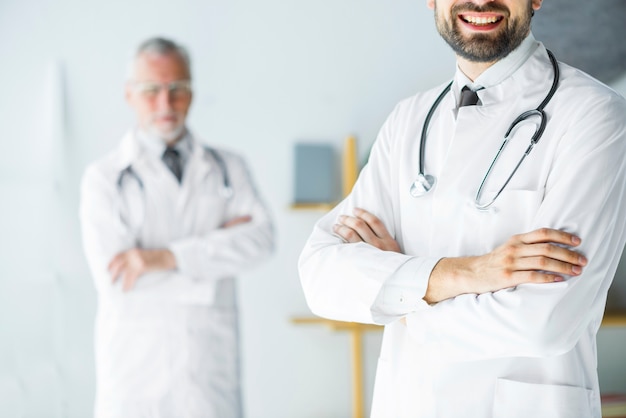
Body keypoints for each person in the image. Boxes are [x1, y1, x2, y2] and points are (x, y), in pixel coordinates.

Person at [299, 1, 626, 417]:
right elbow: (320, 276)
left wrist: (398, 299)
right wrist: (470, 272)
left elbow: (545, 322)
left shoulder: (594, 115)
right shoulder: (407, 122)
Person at [80, 37, 274, 417]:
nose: (165, 104)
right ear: (129, 94)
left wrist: (162, 257)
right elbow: (116, 278)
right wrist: (215, 255)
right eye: (152, 90)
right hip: (136, 374)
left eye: (177, 90)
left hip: (209, 374)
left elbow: (262, 240)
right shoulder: (104, 178)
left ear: (192, 93)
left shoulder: (227, 167)